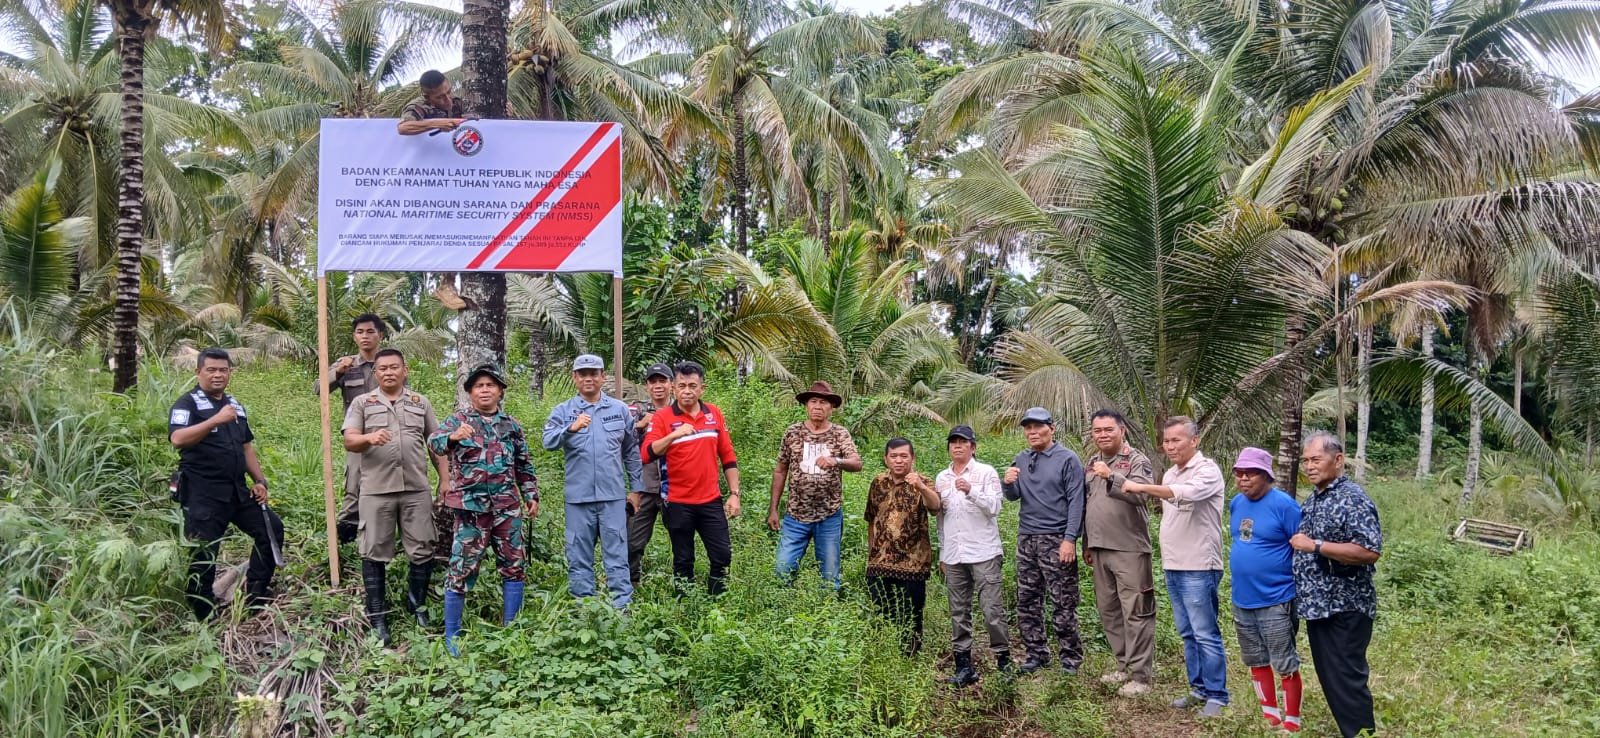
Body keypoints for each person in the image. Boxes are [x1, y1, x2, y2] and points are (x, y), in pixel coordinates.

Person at [429, 364, 540, 656]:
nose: (485, 390)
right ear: (470, 392)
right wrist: (453, 437)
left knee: (514, 566)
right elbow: (434, 443)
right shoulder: (458, 420)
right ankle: (452, 636)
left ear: (500, 391)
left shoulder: (511, 425)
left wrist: (530, 494)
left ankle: (511, 630)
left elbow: (523, 464)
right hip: (471, 510)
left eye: (491, 385)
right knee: (460, 569)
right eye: (479, 386)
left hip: (506, 508)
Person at [1123, 416, 1229, 717]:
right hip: (1174, 564)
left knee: (1205, 632)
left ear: (1194, 441)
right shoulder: (1171, 472)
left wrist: (1139, 486)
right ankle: (1198, 689)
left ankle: (1218, 696)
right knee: (1188, 632)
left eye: (1176, 440)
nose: (1169, 446)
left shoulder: (1207, 470)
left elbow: (1186, 494)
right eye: (1166, 441)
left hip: (1199, 564)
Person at [168, 348, 284, 621]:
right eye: (211, 370)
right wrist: (214, 421)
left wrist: (259, 480)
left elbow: (246, 447)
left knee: (271, 529)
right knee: (204, 552)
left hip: (236, 489)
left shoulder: (234, 405)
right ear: (198, 372)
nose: (218, 375)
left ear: (230, 372)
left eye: (223, 370)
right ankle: (202, 614)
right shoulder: (187, 404)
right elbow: (178, 439)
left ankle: (255, 595)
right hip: (202, 492)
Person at [341, 349, 447, 646]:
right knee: (373, 549)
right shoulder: (363, 403)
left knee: (423, 546)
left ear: (405, 370)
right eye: (383, 368)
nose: (388, 372)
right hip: (377, 490)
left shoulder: (420, 402)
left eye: (394, 367)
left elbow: (436, 443)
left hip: (415, 488)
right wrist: (368, 438)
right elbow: (349, 439)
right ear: (375, 373)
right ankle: (377, 615)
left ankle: (417, 606)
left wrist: (445, 479)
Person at [1291, 432, 1383, 738]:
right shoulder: (1314, 500)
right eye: (1306, 460)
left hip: (1345, 605)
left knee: (1346, 677)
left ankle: (1361, 733)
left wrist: (1316, 545)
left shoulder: (1352, 498)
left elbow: (1369, 550)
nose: (1309, 466)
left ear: (1338, 460)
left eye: (1316, 459)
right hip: (1319, 606)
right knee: (1332, 677)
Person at [543, 354, 644, 609]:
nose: (588, 378)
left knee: (617, 555)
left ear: (602, 377)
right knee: (579, 556)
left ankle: (621, 610)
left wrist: (636, 489)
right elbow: (548, 442)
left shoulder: (620, 410)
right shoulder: (563, 411)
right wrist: (570, 429)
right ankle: (585, 610)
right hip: (578, 499)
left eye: (593, 373)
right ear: (575, 378)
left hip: (612, 497)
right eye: (583, 374)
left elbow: (631, 451)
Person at [641, 361, 741, 595]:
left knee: (722, 555)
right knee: (683, 559)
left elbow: (727, 455)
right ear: (674, 388)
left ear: (702, 388)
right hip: (677, 501)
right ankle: (685, 605)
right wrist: (673, 435)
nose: (687, 391)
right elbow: (646, 454)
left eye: (693, 386)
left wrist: (734, 494)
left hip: (710, 500)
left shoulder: (713, 413)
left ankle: (716, 603)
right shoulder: (662, 417)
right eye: (682, 386)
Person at [1002, 407, 1087, 675]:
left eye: (1038, 426)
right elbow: (1013, 496)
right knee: (1027, 600)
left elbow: (1077, 501)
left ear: (1051, 428)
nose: (1032, 432)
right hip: (1027, 538)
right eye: (1028, 428)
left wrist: (1070, 539)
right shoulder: (1021, 458)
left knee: (1063, 600)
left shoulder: (1067, 459)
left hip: (1056, 538)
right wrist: (1007, 483)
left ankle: (1070, 658)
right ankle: (1036, 654)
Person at [1227, 447, 1305, 732]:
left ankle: (1292, 719)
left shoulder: (1285, 506)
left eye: (1250, 473)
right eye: (1239, 473)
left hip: (1276, 598)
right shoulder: (1236, 503)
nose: (1243, 479)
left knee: (1284, 662)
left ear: (1266, 475)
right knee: (1255, 659)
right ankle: (1269, 715)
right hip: (1242, 598)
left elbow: (1301, 547)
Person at [1083, 409, 1157, 696]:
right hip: (1100, 547)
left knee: (1136, 612)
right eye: (1097, 430)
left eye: (1108, 429)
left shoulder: (1136, 460)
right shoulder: (1092, 462)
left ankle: (1140, 676)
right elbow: (1090, 504)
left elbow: (1142, 495)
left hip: (1129, 549)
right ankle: (1123, 665)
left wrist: (1111, 476)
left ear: (1122, 431)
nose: (1102, 435)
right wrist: (1087, 542)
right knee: (1110, 611)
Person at [768, 380, 862, 588]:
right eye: (813, 401)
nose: (818, 406)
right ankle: (785, 604)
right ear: (806, 405)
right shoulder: (792, 433)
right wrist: (773, 509)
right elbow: (780, 470)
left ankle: (828, 605)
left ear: (831, 407)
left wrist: (836, 460)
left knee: (829, 576)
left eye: (823, 402)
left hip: (829, 515)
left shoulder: (839, 434)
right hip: (795, 515)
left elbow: (857, 463)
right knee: (782, 570)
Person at [935, 425, 1010, 686]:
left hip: (984, 551)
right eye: (953, 442)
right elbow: (941, 518)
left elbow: (995, 507)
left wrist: (971, 491)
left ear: (973, 447)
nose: (957, 446)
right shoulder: (941, 477)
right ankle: (964, 666)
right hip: (954, 554)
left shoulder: (986, 472)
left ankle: (1004, 662)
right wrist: (943, 552)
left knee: (992, 609)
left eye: (963, 442)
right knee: (958, 611)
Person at [865, 438, 941, 655]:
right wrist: (872, 552)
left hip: (913, 562)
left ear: (912, 458)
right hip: (880, 561)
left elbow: (935, 507)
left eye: (903, 456)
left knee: (912, 614)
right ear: (886, 459)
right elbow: (871, 518)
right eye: (894, 456)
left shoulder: (923, 482)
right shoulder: (878, 482)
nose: (899, 461)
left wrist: (921, 487)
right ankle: (885, 654)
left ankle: (910, 655)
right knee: (881, 611)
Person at [318, 313, 386, 544]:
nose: (365, 336)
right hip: (356, 437)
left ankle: (379, 539)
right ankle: (344, 543)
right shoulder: (345, 364)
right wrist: (338, 372)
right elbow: (319, 389)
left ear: (380, 335)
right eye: (360, 332)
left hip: (386, 435)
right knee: (354, 486)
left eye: (370, 331)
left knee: (388, 485)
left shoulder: (388, 364)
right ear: (354, 336)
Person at [626, 362, 674, 586]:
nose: (658, 385)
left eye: (662, 381)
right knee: (632, 540)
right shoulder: (635, 410)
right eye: (653, 381)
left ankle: (684, 585)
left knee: (681, 537)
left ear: (671, 384)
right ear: (647, 386)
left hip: (674, 486)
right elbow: (618, 440)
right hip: (644, 485)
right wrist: (639, 426)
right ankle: (630, 584)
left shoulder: (681, 410)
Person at [397, 69, 469, 136]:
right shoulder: (419, 106)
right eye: (440, 97)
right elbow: (403, 127)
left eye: (449, 92)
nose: (448, 99)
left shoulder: (457, 101)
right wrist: (438, 124)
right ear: (427, 97)